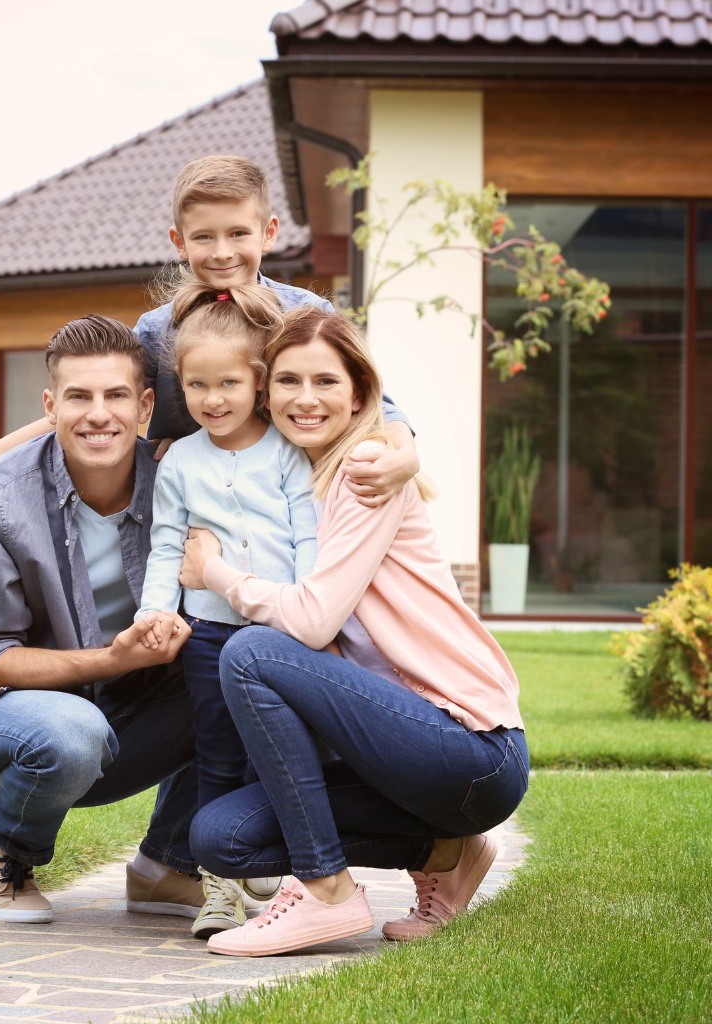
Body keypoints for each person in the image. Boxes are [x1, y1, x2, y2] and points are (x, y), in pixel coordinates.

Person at [180, 306, 529, 957]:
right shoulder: (298, 480)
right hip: (404, 757)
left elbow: (311, 622)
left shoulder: (366, 466)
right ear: (266, 391)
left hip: (472, 747)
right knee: (220, 837)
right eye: (287, 381)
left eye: (325, 382)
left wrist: (217, 573)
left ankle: (325, 892)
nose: (304, 399)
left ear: (361, 394)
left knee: (252, 651)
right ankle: (448, 850)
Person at [0, 154, 420, 534]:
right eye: (204, 237)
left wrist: (406, 455)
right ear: (179, 242)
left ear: (268, 233)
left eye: (238, 233)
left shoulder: (307, 317)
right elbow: (93, 400)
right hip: (195, 509)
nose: (222, 251)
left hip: (295, 503)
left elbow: (378, 405)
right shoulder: (158, 329)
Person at [0, 315, 205, 925]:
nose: (98, 414)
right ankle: (8, 849)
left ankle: (167, 864)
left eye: (116, 396)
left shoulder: (180, 483)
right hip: (11, 725)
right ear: (51, 404)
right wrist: (112, 660)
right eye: (79, 396)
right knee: (71, 731)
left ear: (146, 406)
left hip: (129, 712)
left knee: (247, 667)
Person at [135, 281, 318, 940]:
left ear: (259, 382)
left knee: (280, 755)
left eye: (229, 385)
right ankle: (217, 888)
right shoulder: (180, 461)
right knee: (215, 758)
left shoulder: (289, 452)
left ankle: (288, 877)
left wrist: (309, 612)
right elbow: (165, 547)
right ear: (180, 386)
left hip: (279, 634)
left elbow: (309, 540)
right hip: (210, 634)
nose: (212, 400)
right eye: (196, 387)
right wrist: (156, 613)